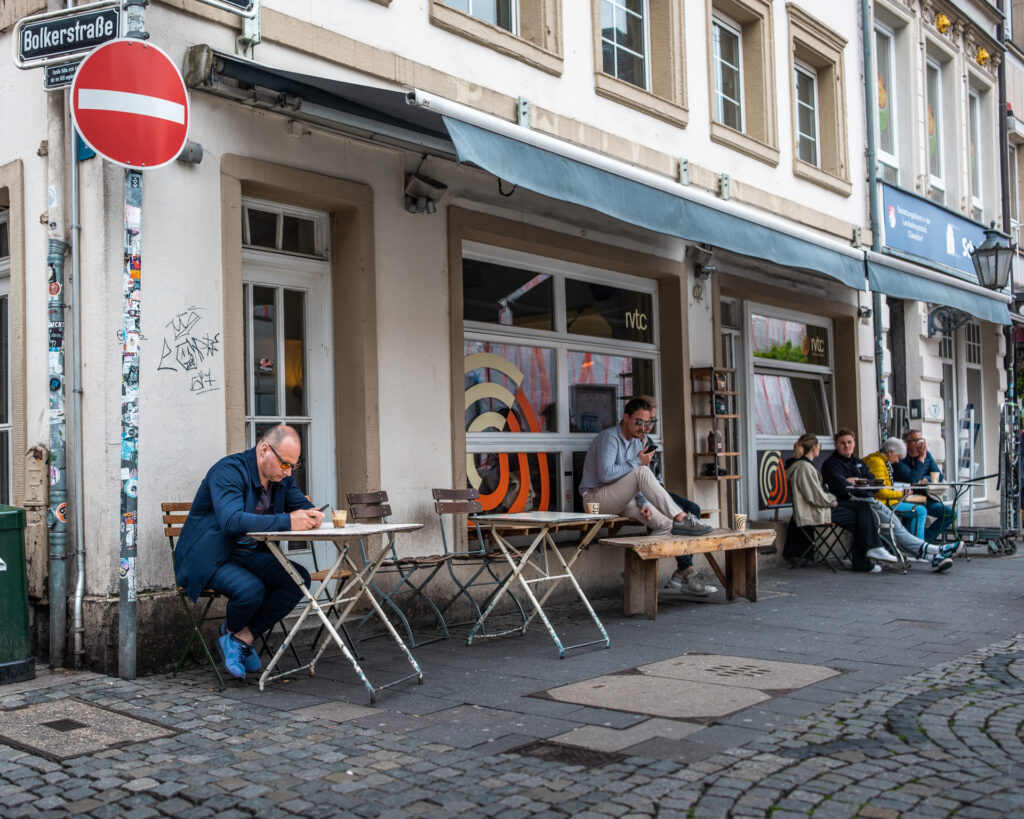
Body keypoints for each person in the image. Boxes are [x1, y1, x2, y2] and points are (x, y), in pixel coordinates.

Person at [175, 425, 323, 680]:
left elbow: (303, 507)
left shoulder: (281, 478)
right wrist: (289, 521)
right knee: (251, 590)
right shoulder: (228, 471)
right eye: (284, 464)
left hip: (245, 554)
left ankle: (239, 637)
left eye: (293, 467)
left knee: (297, 579)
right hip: (210, 557)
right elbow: (231, 521)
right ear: (264, 449)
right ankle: (235, 637)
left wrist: (313, 515)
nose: (288, 472)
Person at [580, 397, 713, 576]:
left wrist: (645, 504)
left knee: (665, 524)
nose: (642, 427)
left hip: (621, 499)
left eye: (646, 423)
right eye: (638, 422)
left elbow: (640, 483)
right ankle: (682, 517)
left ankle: (637, 567)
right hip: (595, 500)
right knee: (641, 470)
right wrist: (637, 462)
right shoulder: (609, 437)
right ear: (625, 417)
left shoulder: (637, 441)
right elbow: (606, 475)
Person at [823, 428, 954, 572]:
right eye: (842, 443)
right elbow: (845, 487)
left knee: (896, 526)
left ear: (854, 443)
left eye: (849, 442)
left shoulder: (858, 462)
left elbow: (872, 482)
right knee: (895, 525)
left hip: (868, 501)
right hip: (854, 503)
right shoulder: (833, 464)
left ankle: (931, 554)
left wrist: (857, 481)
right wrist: (859, 484)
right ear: (836, 445)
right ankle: (932, 551)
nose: (846, 445)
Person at [637, 395, 717, 595]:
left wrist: (661, 492)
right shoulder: (628, 441)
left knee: (694, 509)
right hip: (639, 495)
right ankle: (686, 572)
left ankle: (683, 570)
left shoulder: (649, 440)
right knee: (679, 518)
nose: (649, 425)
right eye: (647, 420)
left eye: (653, 420)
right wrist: (648, 500)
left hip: (657, 491)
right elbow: (633, 476)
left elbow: (656, 475)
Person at [788, 433, 883, 572]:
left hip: (819, 507)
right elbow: (815, 496)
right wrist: (833, 501)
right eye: (819, 446)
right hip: (815, 511)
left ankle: (870, 554)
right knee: (861, 517)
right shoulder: (804, 467)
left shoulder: (805, 466)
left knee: (862, 509)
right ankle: (867, 557)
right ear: (814, 448)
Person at [893, 429, 956, 542]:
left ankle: (926, 539)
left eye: (922, 440)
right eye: (916, 440)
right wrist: (921, 459)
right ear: (906, 444)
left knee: (950, 514)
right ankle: (919, 544)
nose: (920, 443)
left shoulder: (927, 455)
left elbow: (939, 476)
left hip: (924, 498)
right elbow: (912, 478)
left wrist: (925, 479)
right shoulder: (900, 458)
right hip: (906, 498)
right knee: (915, 515)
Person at [863, 437, 927, 539]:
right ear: (890, 452)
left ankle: (912, 546)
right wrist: (901, 494)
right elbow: (880, 491)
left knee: (916, 509)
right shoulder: (877, 463)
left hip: (886, 502)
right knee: (920, 511)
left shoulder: (881, 461)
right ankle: (917, 547)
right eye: (897, 457)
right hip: (883, 504)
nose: (897, 461)